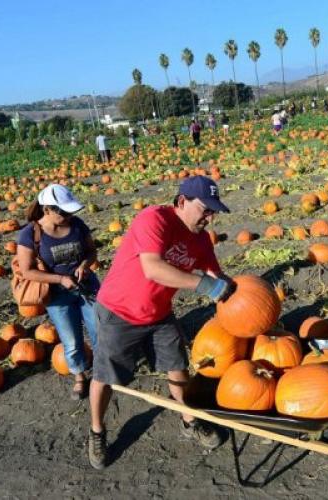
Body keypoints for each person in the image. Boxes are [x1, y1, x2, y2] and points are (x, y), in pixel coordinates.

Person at [87, 175, 234, 470]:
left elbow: (215, 274)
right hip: (119, 312)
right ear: (182, 202)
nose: (210, 217)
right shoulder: (153, 219)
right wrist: (204, 285)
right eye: (205, 209)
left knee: (177, 367)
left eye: (214, 211)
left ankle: (189, 420)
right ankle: (97, 431)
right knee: (106, 376)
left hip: (159, 312)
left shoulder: (201, 238)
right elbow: (152, 268)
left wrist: (236, 291)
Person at [16, 184, 99, 400]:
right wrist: (60, 279)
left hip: (87, 288)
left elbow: (92, 252)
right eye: (63, 211)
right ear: (47, 210)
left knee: (100, 330)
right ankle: (80, 377)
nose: (69, 215)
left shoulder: (77, 225)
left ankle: (103, 371)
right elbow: (27, 271)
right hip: (58, 296)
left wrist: (85, 265)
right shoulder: (30, 234)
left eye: (70, 211)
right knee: (71, 340)